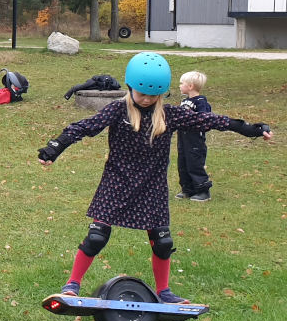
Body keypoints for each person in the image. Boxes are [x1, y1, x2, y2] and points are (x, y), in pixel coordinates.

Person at [38, 52, 272, 304]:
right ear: (130, 87)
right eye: (142, 94)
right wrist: (55, 147)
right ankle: (72, 284)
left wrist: (252, 129)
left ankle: (164, 292)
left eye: (154, 95)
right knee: (97, 236)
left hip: (152, 185)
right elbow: (84, 127)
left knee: (162, 242)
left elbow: (211, 120)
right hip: (117, 182)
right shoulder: (118, 110)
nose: (147, 99)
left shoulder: (169, 114)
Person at [176, 70, 213, 201]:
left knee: (194, 164)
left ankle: (203, 190)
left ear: (190, 86)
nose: (179, 86)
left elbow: (205, 120)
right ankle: (187, 189)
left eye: (182, 83)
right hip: (183, 139)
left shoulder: (201, 102)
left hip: (195, 141)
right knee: (183, 163)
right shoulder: (185, 101)